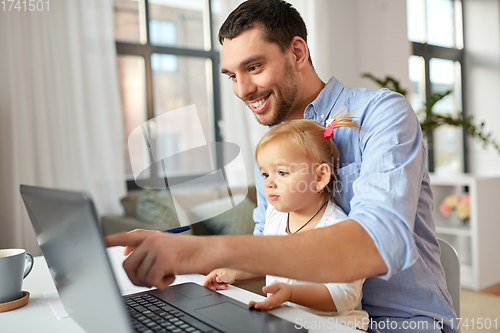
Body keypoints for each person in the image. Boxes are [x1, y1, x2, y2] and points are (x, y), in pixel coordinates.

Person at [106, 0, 459, 331]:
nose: (242, 89)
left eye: (254, 67)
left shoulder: (382, 113)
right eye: (231, 75)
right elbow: (268, 242)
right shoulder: (275, 148)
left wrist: (203, 248)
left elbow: (379, 243)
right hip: (309, 320)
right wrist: (194, 259)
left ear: (298, 52)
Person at [202, 117, 369, 329]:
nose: (269, 182)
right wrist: (233, 271)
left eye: (282, 173)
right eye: (265, 174)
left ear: (319, 177)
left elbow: (343, 297)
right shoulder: (275, 215)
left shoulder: (340, 231)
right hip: (286, 323)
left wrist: (291, 294)